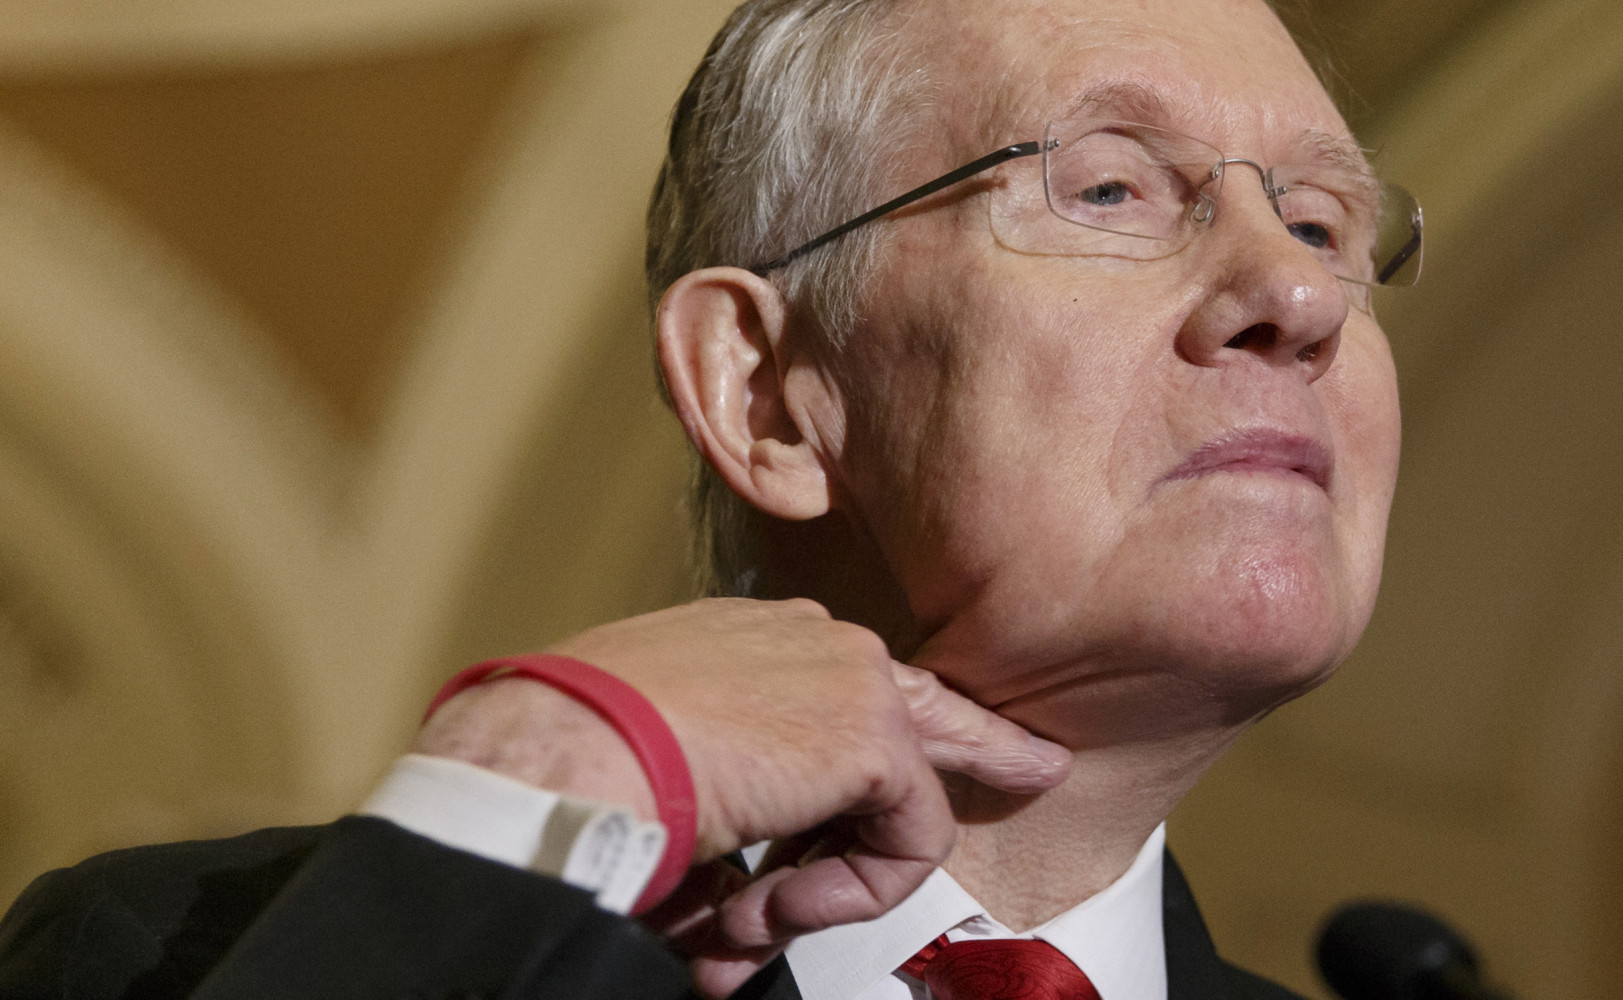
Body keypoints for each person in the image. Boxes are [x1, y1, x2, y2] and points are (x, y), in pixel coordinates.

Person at [0, 0, 1414, 996]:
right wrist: (550, 778)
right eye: (1109, 190)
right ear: (762, 391)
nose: (1294, 296)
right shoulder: (171, 961)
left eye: (1320, 224)